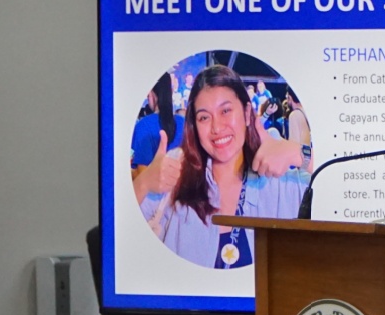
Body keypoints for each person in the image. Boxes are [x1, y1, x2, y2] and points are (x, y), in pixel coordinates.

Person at [137, 64, 308, 269]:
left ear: (246, 113)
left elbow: (345, 194)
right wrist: (143, 183)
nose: (216, 128)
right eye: (204, 117)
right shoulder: (177, 170)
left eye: (225, 111)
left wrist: (301, 154)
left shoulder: (279, 179)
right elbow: (119, 237)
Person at [130, 71, 184, 204]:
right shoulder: (183, 123)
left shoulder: (144, 125)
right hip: (181, 202)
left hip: (151, 205)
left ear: (153, 95)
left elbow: (143, 175)